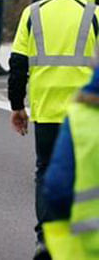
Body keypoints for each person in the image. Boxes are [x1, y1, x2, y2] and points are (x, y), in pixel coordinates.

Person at [8, 0, 99, 259]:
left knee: (46, 171)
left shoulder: (33, 13)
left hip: (46, 109)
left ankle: (45, 237)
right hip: (87, 114)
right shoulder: (95, 14)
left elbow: (18, 64)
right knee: (89, 176)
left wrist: (17, 106)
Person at [42, 66, 99, 260]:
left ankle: (41, 239)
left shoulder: (82, 118)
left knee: (42, 169)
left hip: (89, 246)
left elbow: (58, 190)